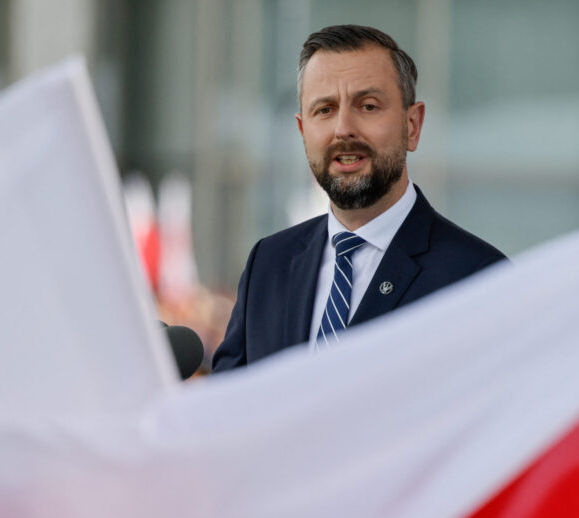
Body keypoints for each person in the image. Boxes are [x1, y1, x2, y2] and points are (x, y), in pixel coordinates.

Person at [212, 24, 506, 371]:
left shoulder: (479, 280)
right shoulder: (268, 264)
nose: (343, 129)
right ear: (303, 131)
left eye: (367, 106)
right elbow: (229, 398)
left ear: (412, 125)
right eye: (324, 110)